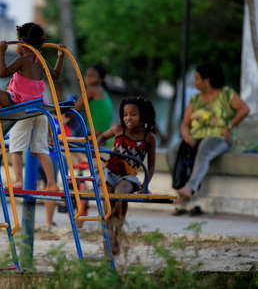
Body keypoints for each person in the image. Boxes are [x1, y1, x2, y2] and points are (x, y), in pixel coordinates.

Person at [0, 22, 64, 227]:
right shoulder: (41, 61)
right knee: (40, 150)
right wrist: (61, 58)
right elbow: (55, 75)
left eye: (18, 42)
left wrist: (1, 52)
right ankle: (52, 184)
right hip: (40, 110)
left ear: (23, 44)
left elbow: (1, 73)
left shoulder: (22, 60)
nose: (16, 46)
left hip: (22, 109)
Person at [168, 63, 249, 210]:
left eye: (197, 79)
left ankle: (190, 187)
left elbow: (244, 109)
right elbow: (185, 123)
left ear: (207, 80)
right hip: (195, 138)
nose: (195, 82)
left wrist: (229, 127)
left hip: (219, 138)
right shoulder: (195, 99)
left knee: (205, 147)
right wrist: (186, 136)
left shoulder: (226, 94)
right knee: (174, 150)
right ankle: (181, 187)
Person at [97, 96, 157, 255]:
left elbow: (150, 166)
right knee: (106, 198)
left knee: (120, 194)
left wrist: (145, 186)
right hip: (110, 172)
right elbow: (102, 137)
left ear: (142, 116)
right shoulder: (118, 129)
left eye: (133, 114)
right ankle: (108, 235)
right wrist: (97, 146)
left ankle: (118, 231)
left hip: (128, 177)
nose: (128, 118)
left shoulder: (148, 137)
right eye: (125, 114)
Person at [74, 65, 113, 138]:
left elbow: (75, 109)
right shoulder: (103, 91)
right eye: (87, 75)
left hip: (93, 133)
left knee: (71, 100)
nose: (88, 78)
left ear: (101, 79)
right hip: (103, 134)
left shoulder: (92, 89)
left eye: (92, 76)